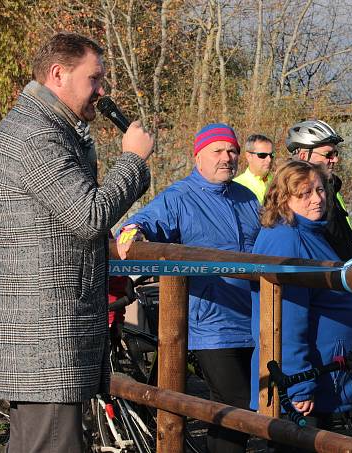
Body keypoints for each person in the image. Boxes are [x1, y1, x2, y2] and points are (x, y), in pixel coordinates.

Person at [0, 32, 153, 453]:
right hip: (47, 335)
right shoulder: (37, 135)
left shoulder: (48, 127)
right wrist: (132, 160)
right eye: (95, 79)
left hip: (50, 332)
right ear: (59, 73)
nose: (102, 91)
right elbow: (88, 216)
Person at [117, 122, 261, 453]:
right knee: (233, 403)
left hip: (253, 317)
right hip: (211, 322)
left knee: (246, 404)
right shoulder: (180, 196)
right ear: (199, 156)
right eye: (218, 151)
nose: (227, 157)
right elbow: (145, 221)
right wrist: (134, 232)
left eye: (232, 150)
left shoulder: (247, 197)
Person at [250, 160, 352, 441]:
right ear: (283, 198)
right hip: (307, 380)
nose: (317, 199)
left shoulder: (306, 232)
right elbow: (285, 319)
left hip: (325, 370)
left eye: (319, 190)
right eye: (304, 194)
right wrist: (298, 384)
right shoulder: (288, 240)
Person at [286, 119, 352, 262]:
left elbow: (345, 245)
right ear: (304, 156)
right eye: (328, 154)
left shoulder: (331, 189)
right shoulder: (294, 198)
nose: (335, 160)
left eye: (336, 154)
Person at [233, 134, 274, 203]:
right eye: (262, 155)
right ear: (249, 156)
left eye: (271, 155)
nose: (269, 159)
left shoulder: (279, 182)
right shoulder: (236, 186)